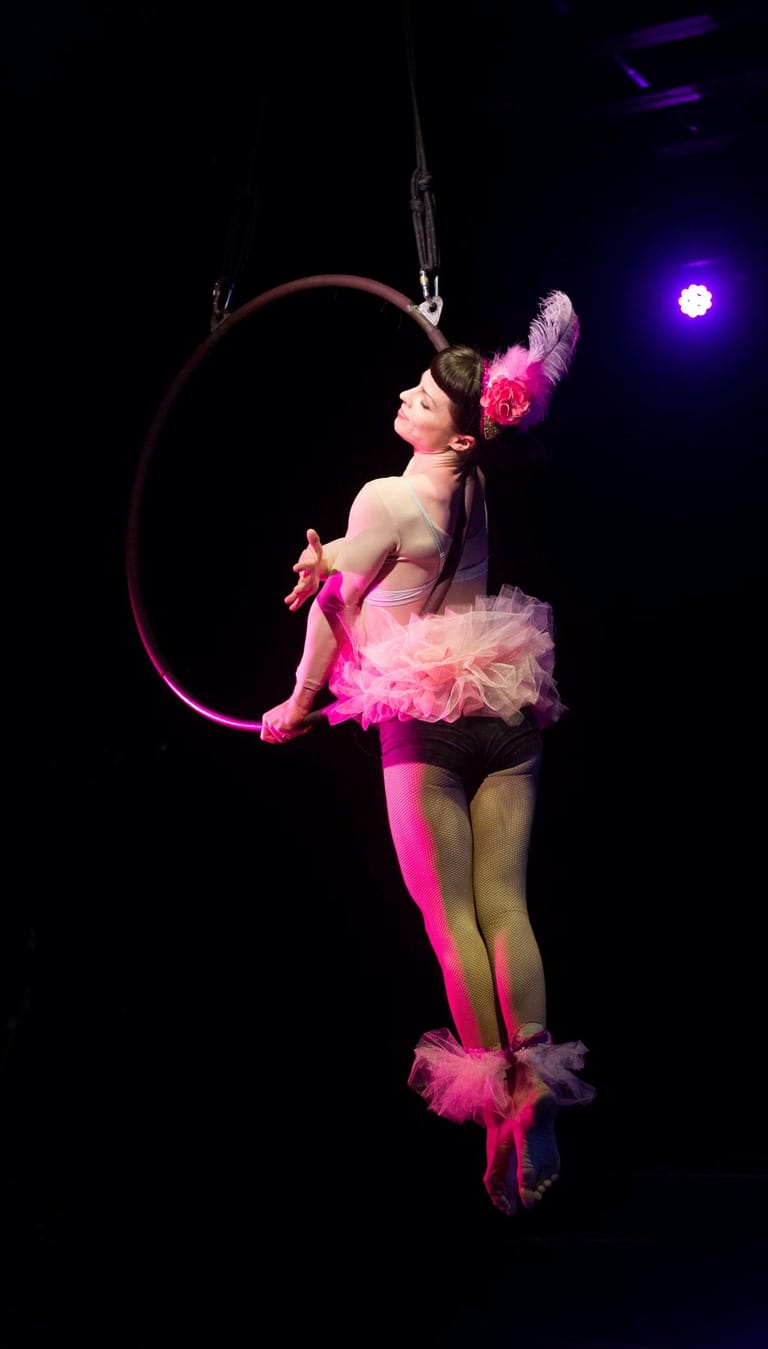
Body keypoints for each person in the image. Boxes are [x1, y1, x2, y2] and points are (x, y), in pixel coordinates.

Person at [260, 291, 595, 1216]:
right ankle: (539, 1100)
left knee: (454, 922)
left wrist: (297, 696)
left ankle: (501, 1119)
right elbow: (393, 534)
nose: (408, 396)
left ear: (454, 438)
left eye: (425, 397)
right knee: (505, 909)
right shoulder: (481, 479)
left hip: (423, 717)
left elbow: (342, 591)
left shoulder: (387, 495)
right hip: (502, 696)